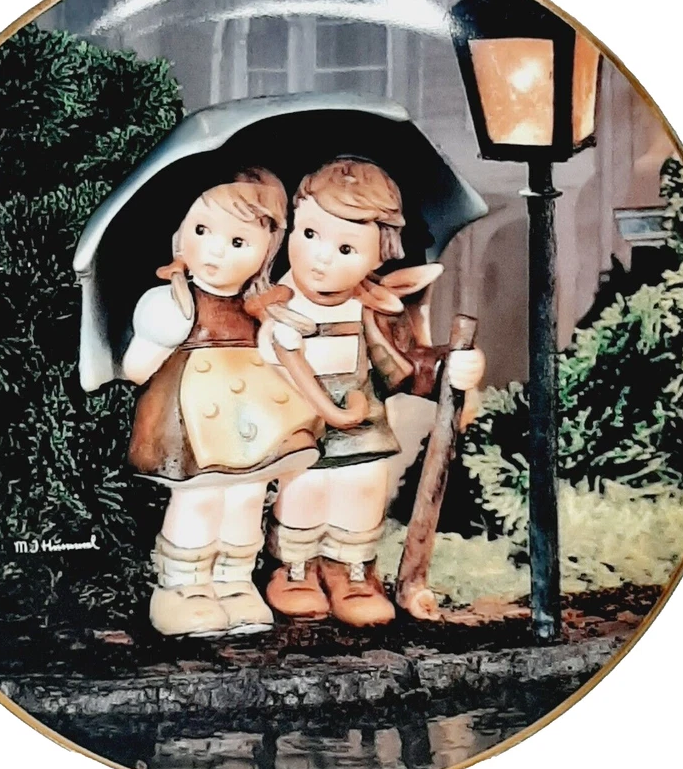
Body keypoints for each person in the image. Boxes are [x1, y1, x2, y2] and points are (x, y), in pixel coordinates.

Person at [259, 158, 486, 626]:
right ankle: (296, 568)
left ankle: (353, 571)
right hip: (296, 424)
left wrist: (453, 368)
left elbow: (406, 364)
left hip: (361, 425)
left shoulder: (374, 311)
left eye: (345, 248)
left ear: (380, 255)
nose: (321, 257)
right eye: (310, 235)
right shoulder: (272, 303)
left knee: (361, 487)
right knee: (304, 486)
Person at [121, 168, 323, 638]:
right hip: (193, 413)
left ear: (266, 251)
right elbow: (136, 369)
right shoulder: (174, 304)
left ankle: (234, 581)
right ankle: (183, 586)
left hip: (254, 414)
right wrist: (155, 337)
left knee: (248, 495)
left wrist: (281, 339)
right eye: (201, 231)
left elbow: (277, 355)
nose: (215, 251)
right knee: (199, 496)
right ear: (179, 234)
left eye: (237, 242)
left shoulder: (257, 308)